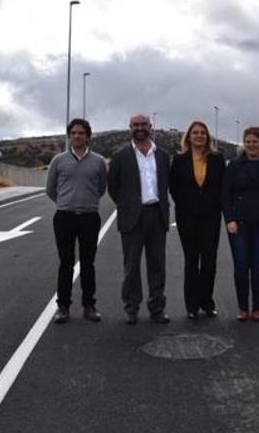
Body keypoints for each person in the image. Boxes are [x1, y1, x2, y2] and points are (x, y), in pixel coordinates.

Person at [108, 114, 172, 325]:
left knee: (157, 266)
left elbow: (167, 184)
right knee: (131, 266)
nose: (140, 128)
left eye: (143, 124)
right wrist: (129, 205)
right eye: (135, 125)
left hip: (157, 215)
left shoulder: (162, 156)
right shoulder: (120, 156)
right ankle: (131, 308)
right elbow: (113, 188)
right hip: (132, 217)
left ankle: (157, 309)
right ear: (130, 128)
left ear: (150, 127)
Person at [45, 119, 107, 324]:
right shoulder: (58, 160)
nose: (77, 136)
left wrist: (86, 202)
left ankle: (89, 305)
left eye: (81, 133)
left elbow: (101, 188)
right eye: (74, 133)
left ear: (88, 136)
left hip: (90, 217)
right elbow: (50, 189)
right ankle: (63, 307)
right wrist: (66, 203)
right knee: (66, 263)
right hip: (64, 217)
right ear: (69, 136)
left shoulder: (98, 161)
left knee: (88, 263)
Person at [222, 127, 259, 322]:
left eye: (255, 141)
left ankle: (257, 308)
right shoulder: (234, 166)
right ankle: (242, 308)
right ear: (244, 143)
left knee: (258, 266)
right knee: (241, 266)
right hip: (238, 224)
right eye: (248, 141)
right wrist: (229, 219)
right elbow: (226, 195)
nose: (251, 145)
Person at [169, 121, 225, 320]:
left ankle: (207, 303)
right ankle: (191, 305)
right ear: (189, 136)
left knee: (209, 260)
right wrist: (187, 204)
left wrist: (215, 206)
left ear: (207, 137)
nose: (199, 135)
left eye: (203, 132)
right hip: (187, 217)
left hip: (211, 216)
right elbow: (173, 187)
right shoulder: (179, 160)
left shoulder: (217, 159)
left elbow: (222, 187)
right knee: (191, 260)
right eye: (195, 132)